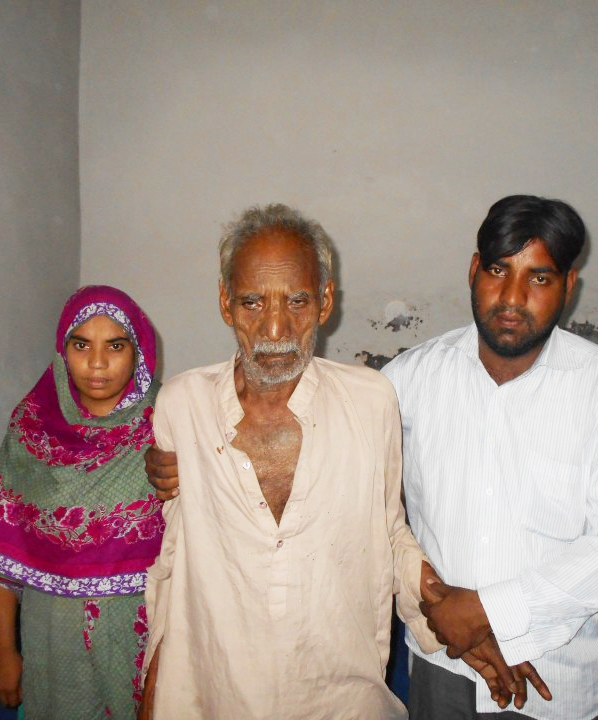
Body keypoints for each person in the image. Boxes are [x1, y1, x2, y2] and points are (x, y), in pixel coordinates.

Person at [137, 203, 510, 720]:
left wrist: (443, 612)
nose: (274, 327)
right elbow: (174, 558)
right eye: (251, 302)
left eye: (296, 300)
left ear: (325, 302)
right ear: (225, 303)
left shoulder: (370, 400)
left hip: (336, 692)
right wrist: (155, 688)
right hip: (213, 688)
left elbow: (389, 530)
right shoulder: (183, 404)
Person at [382, 195, 598, 719]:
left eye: (539, 278)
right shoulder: (409, 380)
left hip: (561, 677)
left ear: (568, 287)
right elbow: (365, 500)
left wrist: (488, 610)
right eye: (497, 270)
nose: (511, 297)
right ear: (473, 270)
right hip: (445, 665)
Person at [0, 285, 165, 719]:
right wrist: (4, 651)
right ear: (63, 351)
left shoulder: (170, 425)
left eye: (115, 346)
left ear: (138, 353)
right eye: (81, 345)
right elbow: (4, 551)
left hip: (143, 635)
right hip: (51, 637)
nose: (97, 363)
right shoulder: (31, 427)